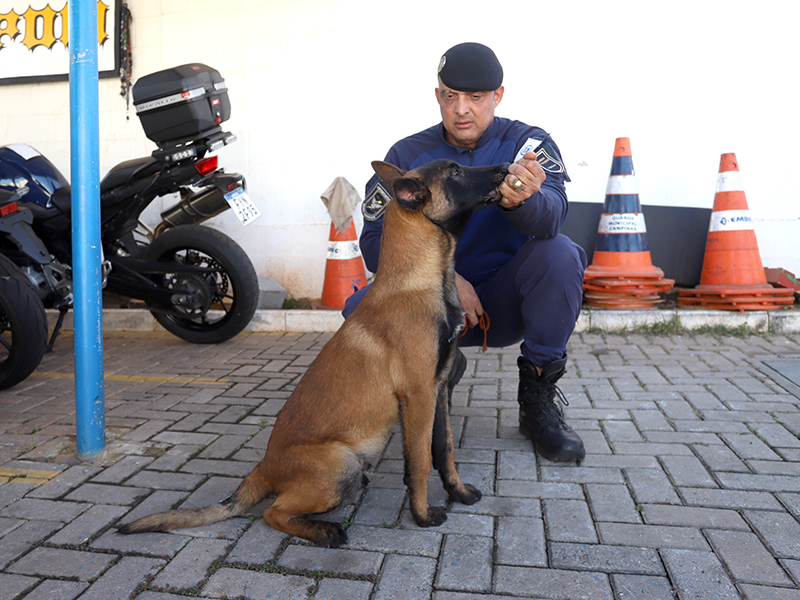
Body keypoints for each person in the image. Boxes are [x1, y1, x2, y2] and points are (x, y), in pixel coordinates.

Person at [344, 42, 587, 464]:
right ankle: (426, 378)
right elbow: (373, 240)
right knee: (359, 308)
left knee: (561, 254)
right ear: (437, 95)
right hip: (430, 303)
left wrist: (523, 201)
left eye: (476, 97)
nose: (462, 109)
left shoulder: (527, 144)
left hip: (501, 303)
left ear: (498, 96)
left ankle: (538, 400)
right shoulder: (407, 154)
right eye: (450, 96)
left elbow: (551, 219)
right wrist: (446, 280)